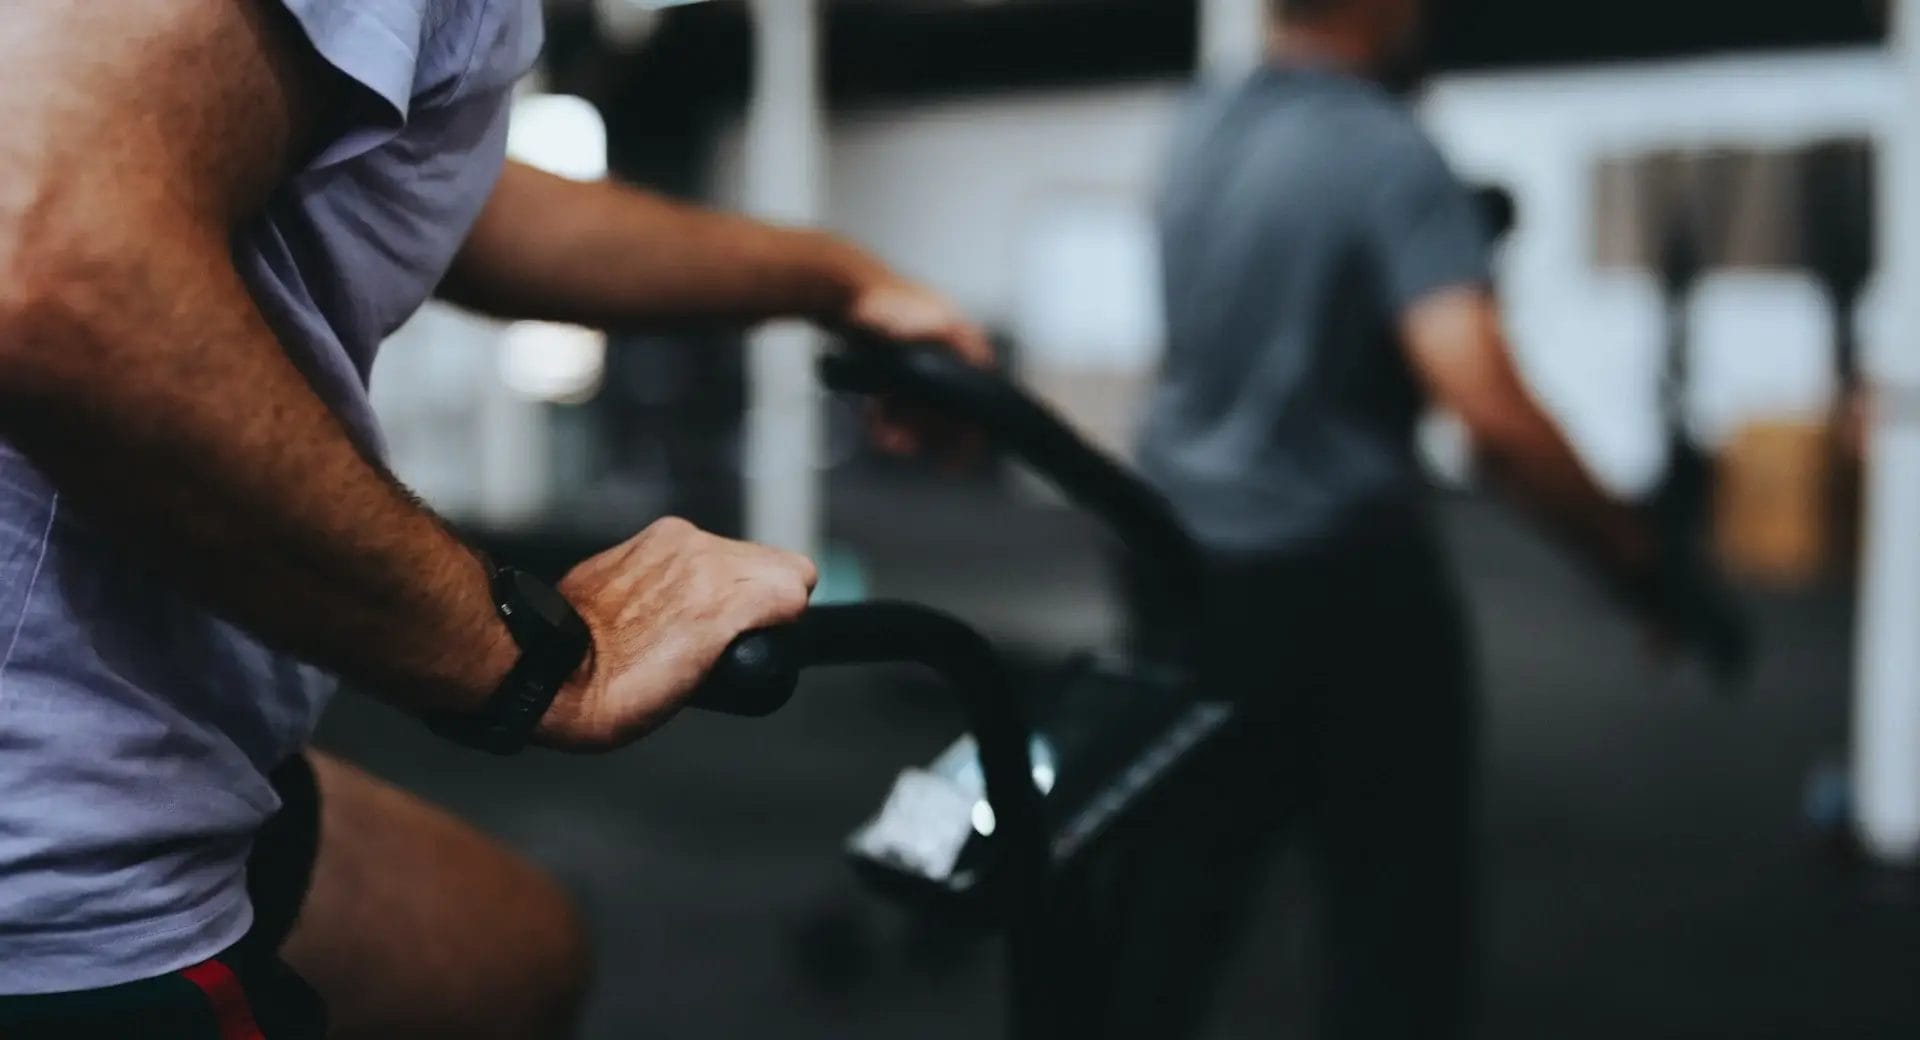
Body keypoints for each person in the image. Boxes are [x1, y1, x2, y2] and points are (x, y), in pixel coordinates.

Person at [0, 2, 987, 1037]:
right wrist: (530, 654)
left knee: (512, 949)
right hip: (54, 836)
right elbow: (60, 265)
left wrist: (832, 276)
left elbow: (434, 176)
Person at [1100, 0, 1661, 1037]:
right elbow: (1487, 406)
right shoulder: (1386, 150)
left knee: (1178, 877)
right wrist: (1641, 564)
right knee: (1398, 914)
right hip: (1336, 582)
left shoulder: (1199, 123)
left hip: (1177, 559)